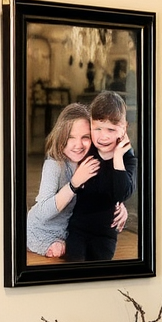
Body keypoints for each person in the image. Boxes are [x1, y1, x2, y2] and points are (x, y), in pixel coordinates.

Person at [64, 91, 137, 262]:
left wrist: (117, 157)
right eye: (97, 128)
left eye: (111, 129)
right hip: (77, 230)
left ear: (124, 128)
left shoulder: (127, 159)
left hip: (105, 235)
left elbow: (121, 193)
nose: (103, 136)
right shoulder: (86, 151)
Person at [26, 103, 97, 259]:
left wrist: (120, 207)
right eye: (70, 137)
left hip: (68, 232)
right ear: (61, 137)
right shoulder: (54, 164)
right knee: (61, 253)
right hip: (39, 230)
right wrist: (74, 185)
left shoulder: (90, 161)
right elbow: (43, 211)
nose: (78, 145)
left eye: (85, 137)